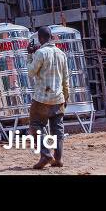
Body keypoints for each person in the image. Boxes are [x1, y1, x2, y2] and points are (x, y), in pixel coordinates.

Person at [26, 25, 70, 169]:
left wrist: (29, 55)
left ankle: (45, 155)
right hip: (58, 98)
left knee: (36, 124)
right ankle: (58, 159)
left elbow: (31, 72)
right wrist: (66, 96)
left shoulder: (40, 53)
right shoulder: (61, 54)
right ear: (51, 37)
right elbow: (66, 78)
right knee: (57, 128)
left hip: (41, 98)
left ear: (40, 38)